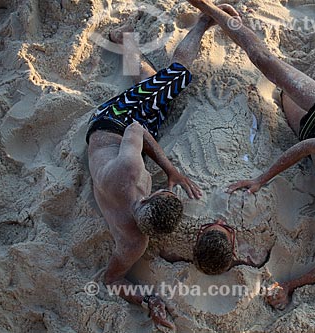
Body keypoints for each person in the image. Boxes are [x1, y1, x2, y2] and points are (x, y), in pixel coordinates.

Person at [185, 0, 315, 310]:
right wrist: (260, 179)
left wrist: (290, 284)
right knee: (267, 63)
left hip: (307, 130)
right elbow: (306, 148)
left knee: (284, 93)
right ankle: (212, 10)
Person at [87, 6, 238, 330]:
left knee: (170, 79)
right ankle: (184, 26)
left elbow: (136, 129)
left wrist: (170, 171)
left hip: (110, 122)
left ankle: (189, 25)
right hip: (122, 132)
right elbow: (113, 279)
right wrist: (147, 300)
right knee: (166, 81)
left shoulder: (128, 170)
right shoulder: (133, 244)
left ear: (147, 200)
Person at [160, 219, 270, 275]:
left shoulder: (169, 252)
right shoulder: (255, 257)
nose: (219, 221)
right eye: (226, 227)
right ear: (233, 250)